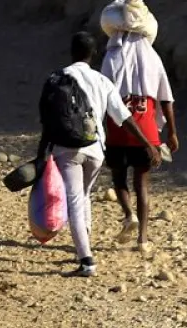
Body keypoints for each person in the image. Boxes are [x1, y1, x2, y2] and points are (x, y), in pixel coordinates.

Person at [40, 32, 159, 277]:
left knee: (74, 200)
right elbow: (123, 117)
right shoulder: (102, 81)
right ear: (93, 55)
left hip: (67, 149)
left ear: (72, 51)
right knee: (83, 196)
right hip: (95, 149)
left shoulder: (57, 77)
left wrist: (42, 153)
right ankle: (83, 245)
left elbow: (47, 120)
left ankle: (86, 260)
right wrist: (147, 143)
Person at [99, 0, 179, 251]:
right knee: (142, 184)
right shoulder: (153, 58)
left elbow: (102, 95)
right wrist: (173, 134)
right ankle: (143, 239)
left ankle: (128, 214)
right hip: (146, 128)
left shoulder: (112, 57)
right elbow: (166, 99)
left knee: (120, 179)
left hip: (118, 127)